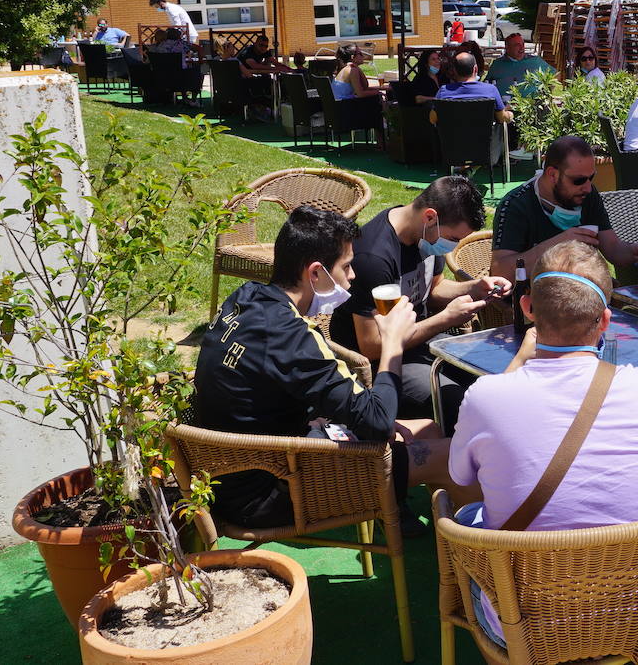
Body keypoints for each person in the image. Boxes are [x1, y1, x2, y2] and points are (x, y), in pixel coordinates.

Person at [449, 240, 638, 647]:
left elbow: (460, 477)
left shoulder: (486, 395)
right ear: (605, 321)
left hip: (524, 626)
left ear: (527, 309)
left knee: (465, 516)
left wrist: (516, 365)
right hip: (631, 617)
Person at [194, 206, 464, 529]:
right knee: (455, 453)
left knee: (429, 430)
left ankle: (446, 552)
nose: (352, 277)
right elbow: (377, 422)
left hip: (233, 474)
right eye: (347, 267)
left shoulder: (247, 296)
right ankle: (476, 565)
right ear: (316, 273)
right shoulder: (292, 337)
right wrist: (393, 342)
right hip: (270, 494)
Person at [330, 176, 503, 425]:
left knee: (491, 378)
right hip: (381, 363)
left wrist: (474, 288)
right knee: (460, 402)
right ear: (430, 217)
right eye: (453, 239)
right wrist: (445, 319)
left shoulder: (424, 237)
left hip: (419, 341)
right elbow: (373, 345)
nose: (450, 246)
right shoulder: (374, 257)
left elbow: (434, 290)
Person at [489, 135, 638, 282]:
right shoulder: (517, 204)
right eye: (578, 180)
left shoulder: (587, 194)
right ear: (552, 174)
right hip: (533, 304)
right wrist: (558, 246)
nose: (587, 187)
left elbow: (613, 249)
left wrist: (635, 251)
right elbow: (501, 271)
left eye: (591, 178)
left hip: (580, 296)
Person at [436, 50, 511, 166]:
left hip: (454, 149)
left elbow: (432, 118)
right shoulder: (490, 90)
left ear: (454, 71)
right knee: (501, 126)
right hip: (486, 151)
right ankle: (474, 167)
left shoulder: (444, 92)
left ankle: (466, 168)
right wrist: (509, 114)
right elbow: (501, 118)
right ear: (475, 69)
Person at [485, 32, 552, 99]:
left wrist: (546, 94)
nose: (521, 48)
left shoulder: (535, 61)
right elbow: (486, 85)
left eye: (523, 44)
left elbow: (555, 76)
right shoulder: (497, 64)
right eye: (517, 45)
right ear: (507, 48)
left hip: (530, 105)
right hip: (503, 104)